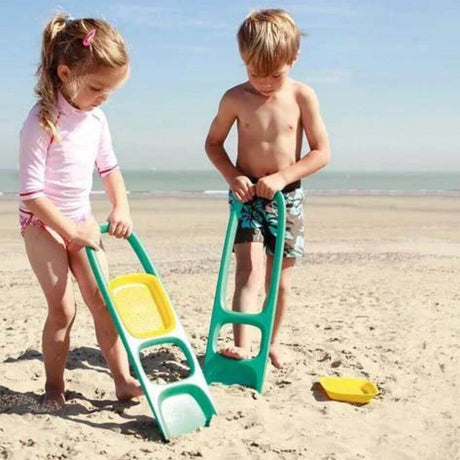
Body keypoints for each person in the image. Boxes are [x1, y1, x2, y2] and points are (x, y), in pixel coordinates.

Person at [18, 13, 143, 409]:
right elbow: (32, 194)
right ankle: (54, 385)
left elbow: (110, 169)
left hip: (81, 219)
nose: (103, 98)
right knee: (63, 310)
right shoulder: (40, 123)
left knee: (103, 302)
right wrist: (69, 231)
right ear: (65, 72)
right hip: (44, 223)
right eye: (96, 88)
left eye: (110, 91)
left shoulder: (96, 118)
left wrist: (121, 206)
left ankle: (122, 380)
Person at [205, 9, 330, 368]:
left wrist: (282, 177)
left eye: (274, 74)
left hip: (286, 198)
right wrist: (233, 176)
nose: (263, 82)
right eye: (254, 72)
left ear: (294, 58)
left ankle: (270, 342)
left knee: (281, 281)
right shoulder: (234, 98)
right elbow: (213, 144)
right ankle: (242, 345)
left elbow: (322, 153)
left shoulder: (303, 96)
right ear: (243, 60)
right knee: (248, 272)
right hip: (246, 199)